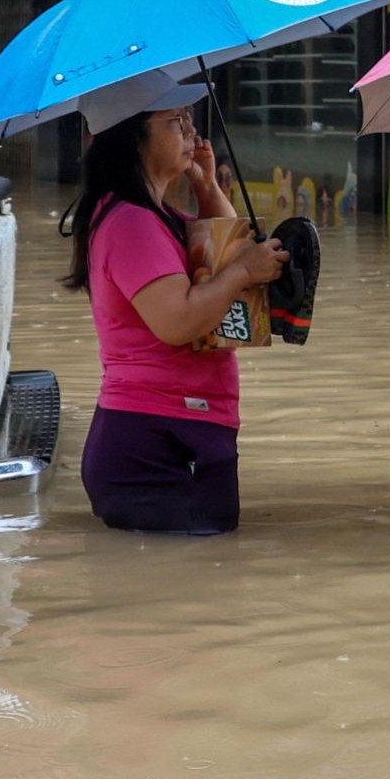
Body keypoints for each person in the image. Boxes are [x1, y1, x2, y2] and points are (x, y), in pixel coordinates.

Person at [70, 76, 292, 536]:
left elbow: (226, 250)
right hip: (154, 439)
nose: (191, 133)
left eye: (190, 120)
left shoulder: (160, 217)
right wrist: (243, 274)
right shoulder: (130, 223)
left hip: (175, 431)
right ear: (134, 137)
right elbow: (178, 320)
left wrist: (208, 186)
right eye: (176, 121)